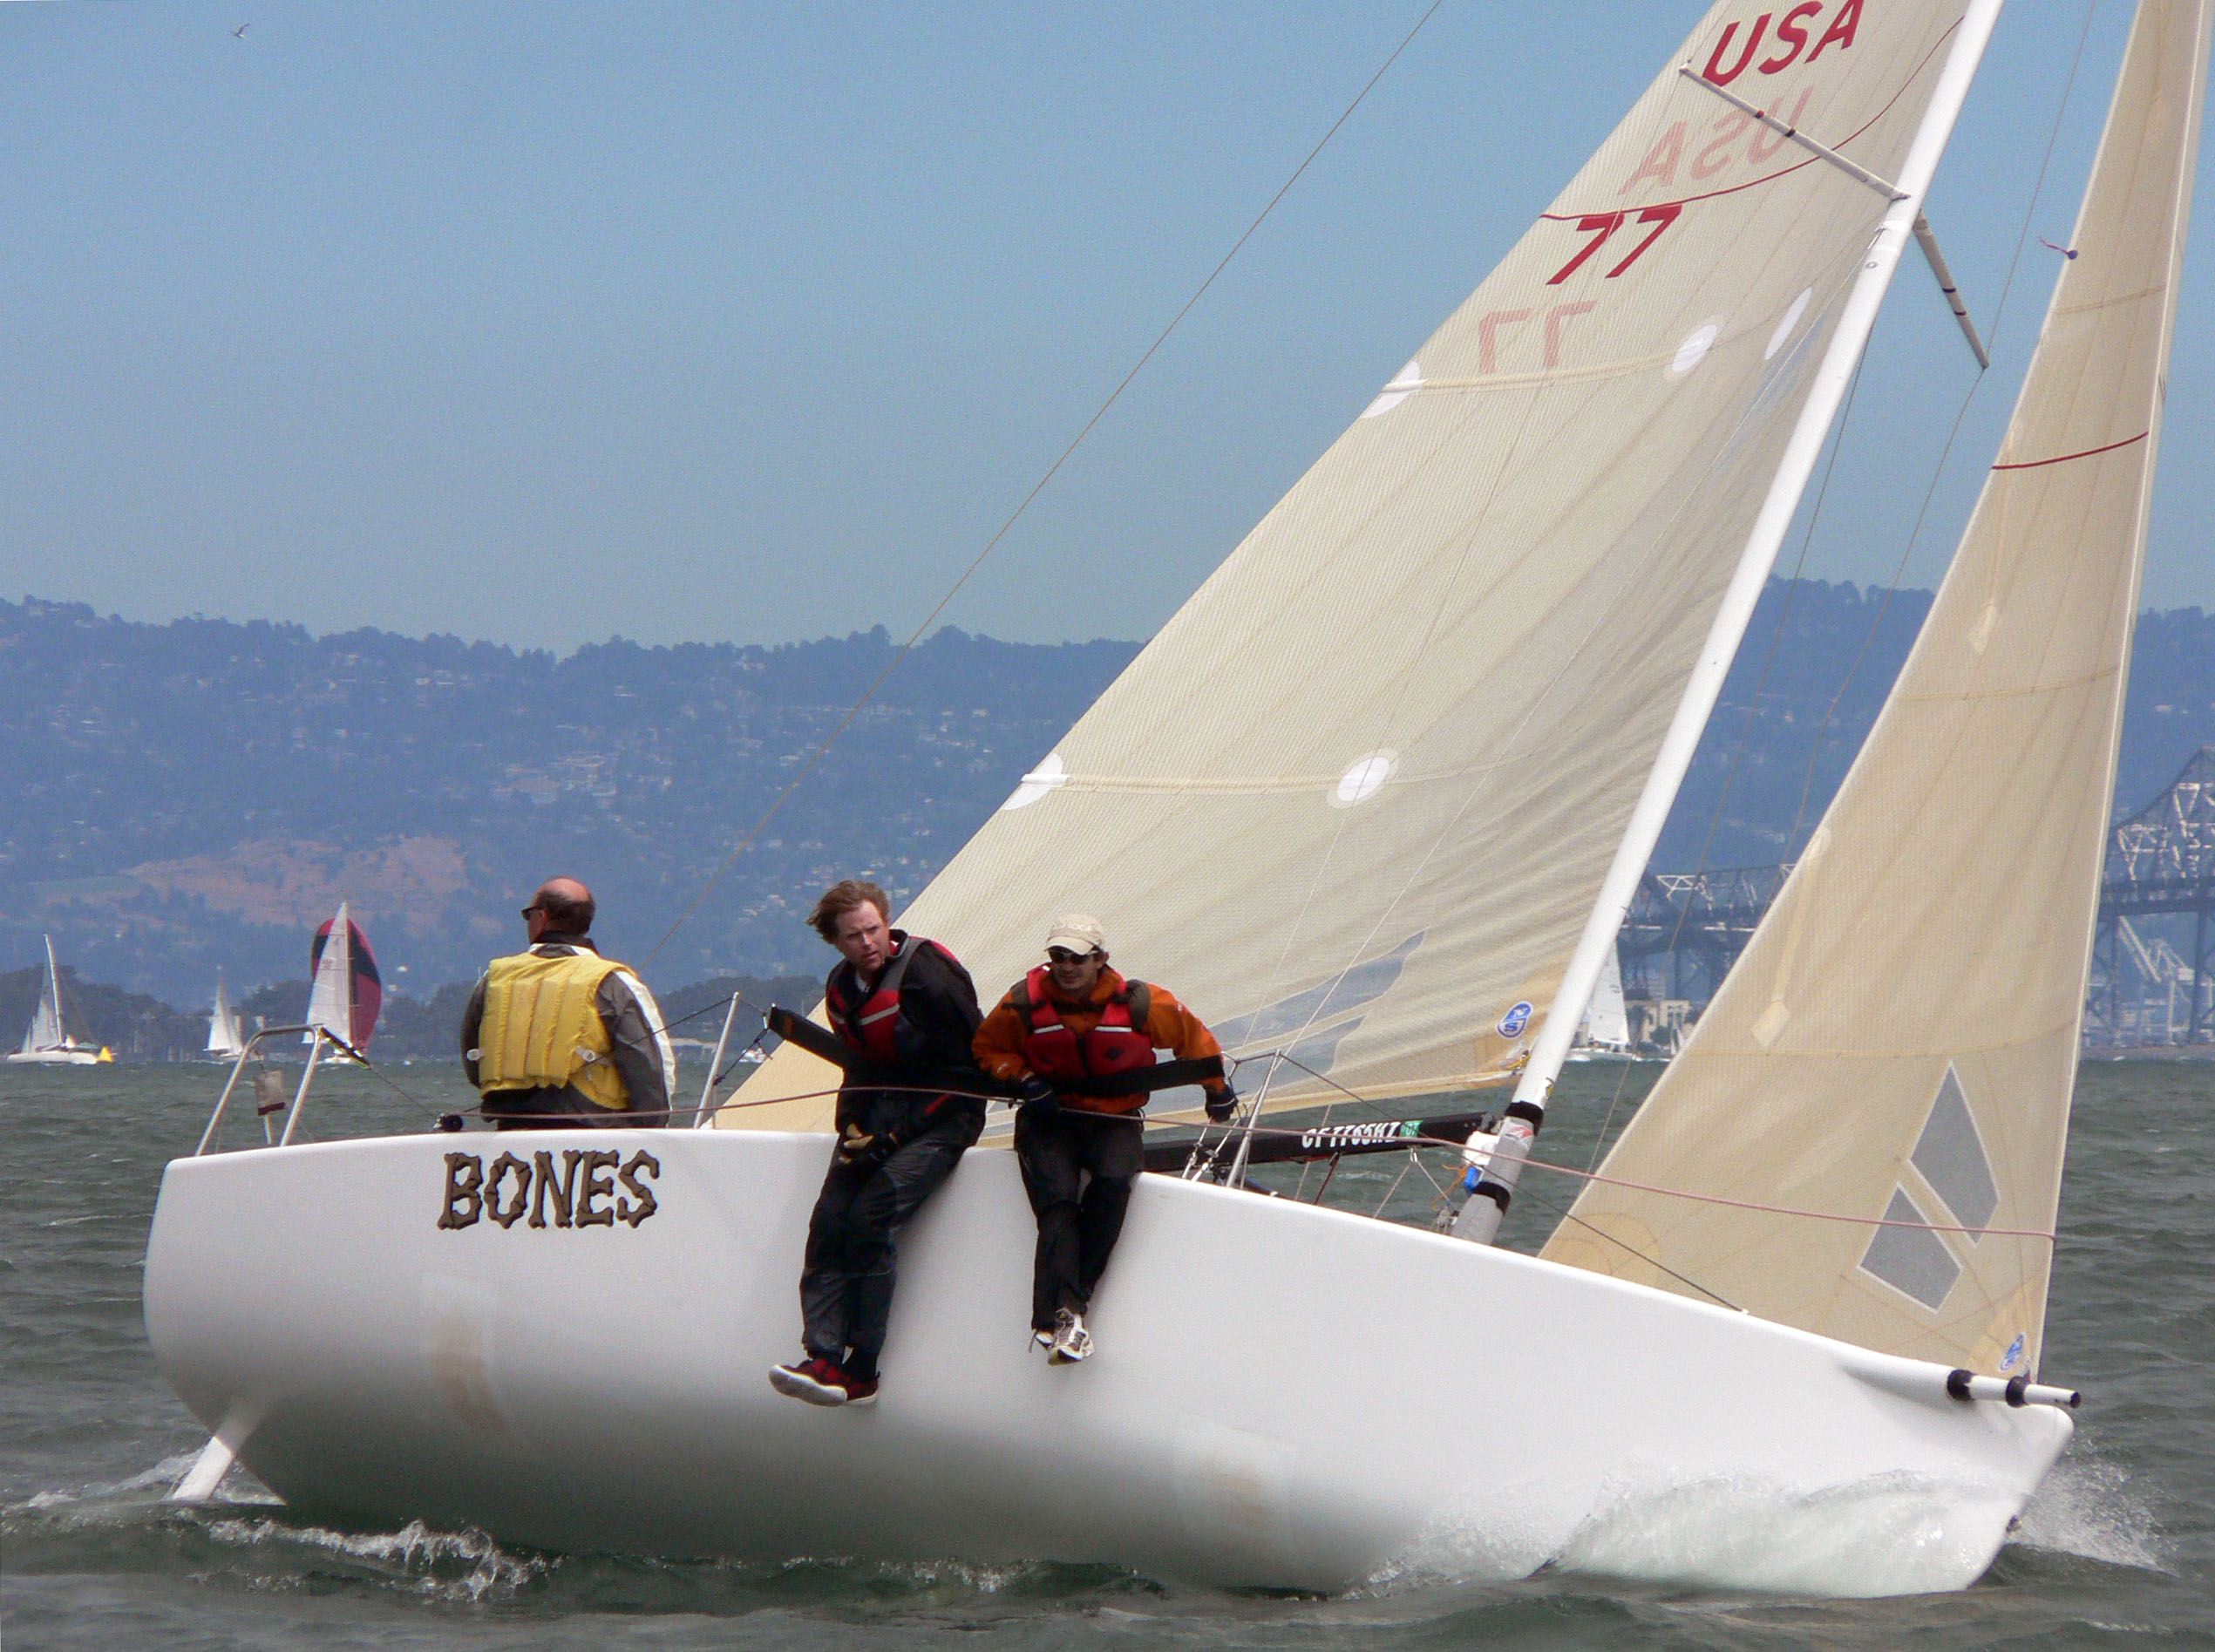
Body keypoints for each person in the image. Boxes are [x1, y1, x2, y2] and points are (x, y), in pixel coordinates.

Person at [974, 914, 1233, 1365]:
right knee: (1057, 1201)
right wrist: (1024, 1078)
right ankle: (1064, 1317)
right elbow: (986, 1048)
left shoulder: (1142, 1003)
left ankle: (1067, 1310)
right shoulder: (1022, 1004)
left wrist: (1217, 1091)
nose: (1067, 966)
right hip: (1048, 1120)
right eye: (1058, 956)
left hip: (1115, 1118)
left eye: (1078, 957)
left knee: (1112, 1185)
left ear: (1100, 959)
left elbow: (1194, 1041)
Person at [770, 880, 989, 1408]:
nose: (868, 943)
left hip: (946, 1115)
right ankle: (821, 1355)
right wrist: (851, 1129)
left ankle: (862, 1370)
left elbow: (971, 1074)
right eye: (854, 936)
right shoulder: (841, 989)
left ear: (887, 922)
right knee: (830, 1220)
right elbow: (857, 1069)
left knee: (870, 1218)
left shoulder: (929, 978)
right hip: (879, 1113)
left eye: (874, 929)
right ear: (836, 942)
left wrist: (895, 1140)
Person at [459, 877, 676, 1129]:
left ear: (541, 917)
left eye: (528, 915)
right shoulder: (612, 982)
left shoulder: (494, 978)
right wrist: (653, 1124)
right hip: (597, 1134)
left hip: (512, 1129)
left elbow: (474, 1059)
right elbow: (647, 1067)